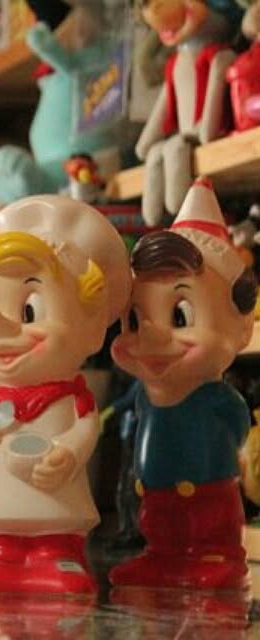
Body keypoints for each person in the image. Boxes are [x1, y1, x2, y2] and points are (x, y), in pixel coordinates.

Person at [0, 194, 131, 594]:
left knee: (55, 536)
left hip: (56, 502)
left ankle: (57, 556)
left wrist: (68, 453)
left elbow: (85, 430)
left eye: (30, 311)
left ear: (93, 329)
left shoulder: (72, 399)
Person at [109, 178, 258, 589]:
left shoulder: (215, 397)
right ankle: (162, 556)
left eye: (179, 316)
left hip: (207, 491)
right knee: (160, 524)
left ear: (241, 326)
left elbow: (238, 427)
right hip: (156, 492)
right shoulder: (145, 395)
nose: (149, 336)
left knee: (209, 526)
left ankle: (219, 556)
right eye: (134, 320)